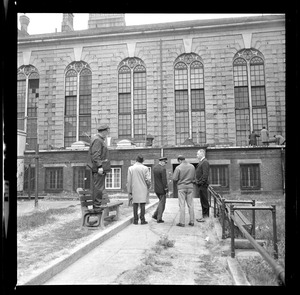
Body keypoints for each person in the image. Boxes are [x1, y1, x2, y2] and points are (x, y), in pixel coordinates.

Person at [87, 125, 111, 208]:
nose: (107, 134)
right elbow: (96, 154)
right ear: (103, 131)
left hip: (99, 168)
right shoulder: (97, 140)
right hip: (98, 169)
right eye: (107, 132)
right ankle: (97, 207)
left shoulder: (99, 139)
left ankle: (97, 205)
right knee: (98, 188)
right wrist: (100, 166)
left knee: (99, 187)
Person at [127, 155, 151, 225]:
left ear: (136, 160)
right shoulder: (145, 168)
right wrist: (148, 186)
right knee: (142, 204)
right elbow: (148, 180)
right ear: (142, 161)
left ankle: (135, 220)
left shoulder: (131, 168)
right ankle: (142, 219)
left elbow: (129, 180)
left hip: (134, 187)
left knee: (135, 204)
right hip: (143, 188)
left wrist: (129, 190)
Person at [173, 155, 195, 227]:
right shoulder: (192, 166)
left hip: (181, 187)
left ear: (179, 160)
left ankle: (182, 222)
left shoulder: (178, 167)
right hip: (190, 187)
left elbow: (174, 178)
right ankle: (192, 221)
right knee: (190, 204)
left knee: (182, 205)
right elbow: (194, 178)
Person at [194, 149, 210, 222]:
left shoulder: (205, 162)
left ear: (202, 154)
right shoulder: (202, 162)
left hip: (202, 185)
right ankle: (204, 216)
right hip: (201, 185)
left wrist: (200, 182)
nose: (197, 156)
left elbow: (205, 175)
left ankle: (206, 217)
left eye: (198, 154)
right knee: (202, 200)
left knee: (204, 201)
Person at [152, 157, 168, 223]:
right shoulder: (163, 169)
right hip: (162, 189)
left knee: (160, 202)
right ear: (162, 162)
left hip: (156, 188)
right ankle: (159, 218)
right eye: (165, 162)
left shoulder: (154, 168)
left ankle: (155, 215)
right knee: (162, 204)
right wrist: (166, 189)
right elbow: (164, 180)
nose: (165, 164)